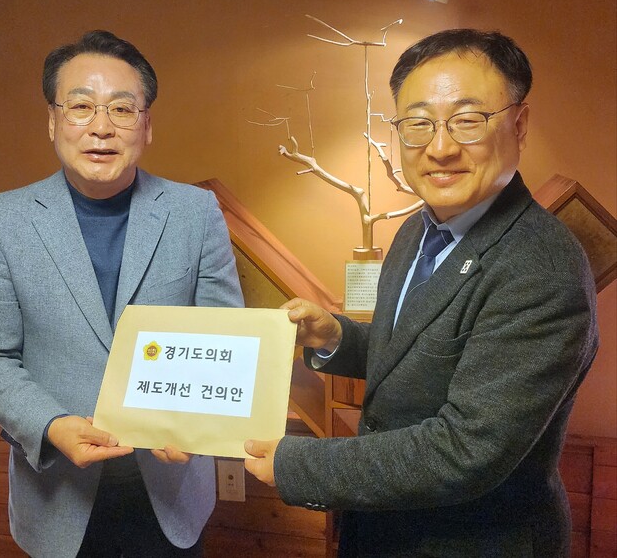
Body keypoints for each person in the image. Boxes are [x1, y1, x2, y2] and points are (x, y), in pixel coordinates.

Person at [244, 29, 598, 557]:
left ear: (519, 125)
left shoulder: (540, 268)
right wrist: (335, 337)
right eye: (418, 123)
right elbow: (418, 351)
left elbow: (466, 449)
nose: (441, 148)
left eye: (468, 119)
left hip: (472, 542)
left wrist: (297, 464)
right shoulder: (419, 228)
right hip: (385, 530)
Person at [0, 30, 243, 558]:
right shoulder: (0, 222)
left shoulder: (195, 213)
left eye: (122, 109)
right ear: (53, 121)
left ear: (146, 125)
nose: (101, 127)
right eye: (81, 106)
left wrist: (197, 427)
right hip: (56, 494)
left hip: (172, 491)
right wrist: (49, 425)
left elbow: (225, 337)